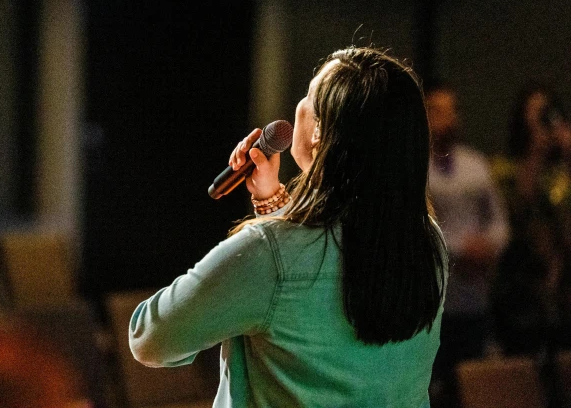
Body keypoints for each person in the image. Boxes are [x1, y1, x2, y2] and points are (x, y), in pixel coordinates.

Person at [129, 47, 448, 407]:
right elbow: (326, 271)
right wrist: (274, 203)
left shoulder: (269, 253)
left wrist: (267, 233)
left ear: (319, 133)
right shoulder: (427, 244)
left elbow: (151, 337)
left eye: (310, 93)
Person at [424, 81, 509, 405]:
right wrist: (461, 250)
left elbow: (499, 221)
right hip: (435, 300)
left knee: (473, 389)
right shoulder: (417, 167)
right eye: (439, 111)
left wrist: (489, 246)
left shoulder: (476, 164)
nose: (450, 118)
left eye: (453, 110)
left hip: (475, 297)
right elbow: (418, 227)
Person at [490, 85, 571, 356]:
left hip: (562, 287)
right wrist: (536, 149)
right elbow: (518, 210)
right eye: (537, 114)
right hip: (521, 290)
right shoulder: (504, 169)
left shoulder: (560, 175)